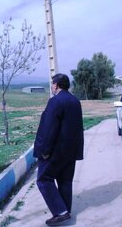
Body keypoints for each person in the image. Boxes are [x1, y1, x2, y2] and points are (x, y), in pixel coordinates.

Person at [33, 73, 84, 226]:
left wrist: (44, 150)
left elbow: (48, 128)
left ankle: (60, 212)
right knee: (65, 181)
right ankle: (65, 210)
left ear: (56, 85)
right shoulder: (75, 101)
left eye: (52, 84)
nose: (52, 86)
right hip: (71, 150)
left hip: (56, 151)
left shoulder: (55, 101)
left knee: (44, 179)